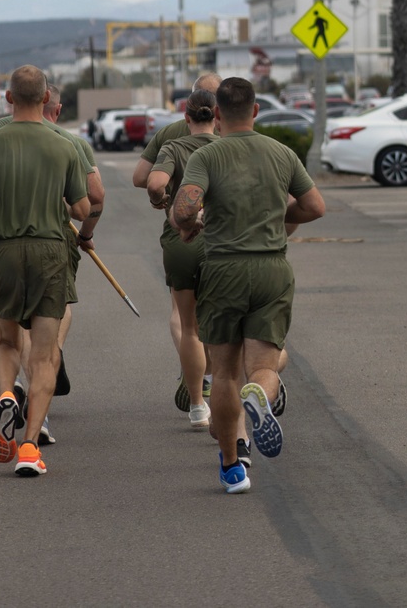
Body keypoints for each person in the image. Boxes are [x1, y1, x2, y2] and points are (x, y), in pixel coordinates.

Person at [172, 76, 326, 494]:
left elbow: (185, 208)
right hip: (272, 269)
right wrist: (277, 213)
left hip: (224, 269)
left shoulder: (209, 155)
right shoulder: (281, 153)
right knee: (262, 364)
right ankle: (259, 392)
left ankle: (232, 467)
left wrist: (188, 223)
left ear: (217, 115)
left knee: (222, 373)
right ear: (256, 111)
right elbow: (314, 206)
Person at [0, 82, 104, 444]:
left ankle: (6, 395)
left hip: (2, 248)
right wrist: (72, 218)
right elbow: (87, 205)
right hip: (50, 249)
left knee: (6, 341)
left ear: (8, 98)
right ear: (49, 100)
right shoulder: (67, 144)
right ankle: (33, 442)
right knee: (45, 351)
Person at [133, 70, 220, 411]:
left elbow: (143, 178)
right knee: (219, 314)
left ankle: (195, 387)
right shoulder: (232, 133)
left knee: (185, 319)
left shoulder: (172, 135)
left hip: (180, 235)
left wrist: (167, 200)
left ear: (188, 108)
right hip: (224, 238)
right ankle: (214, 377)